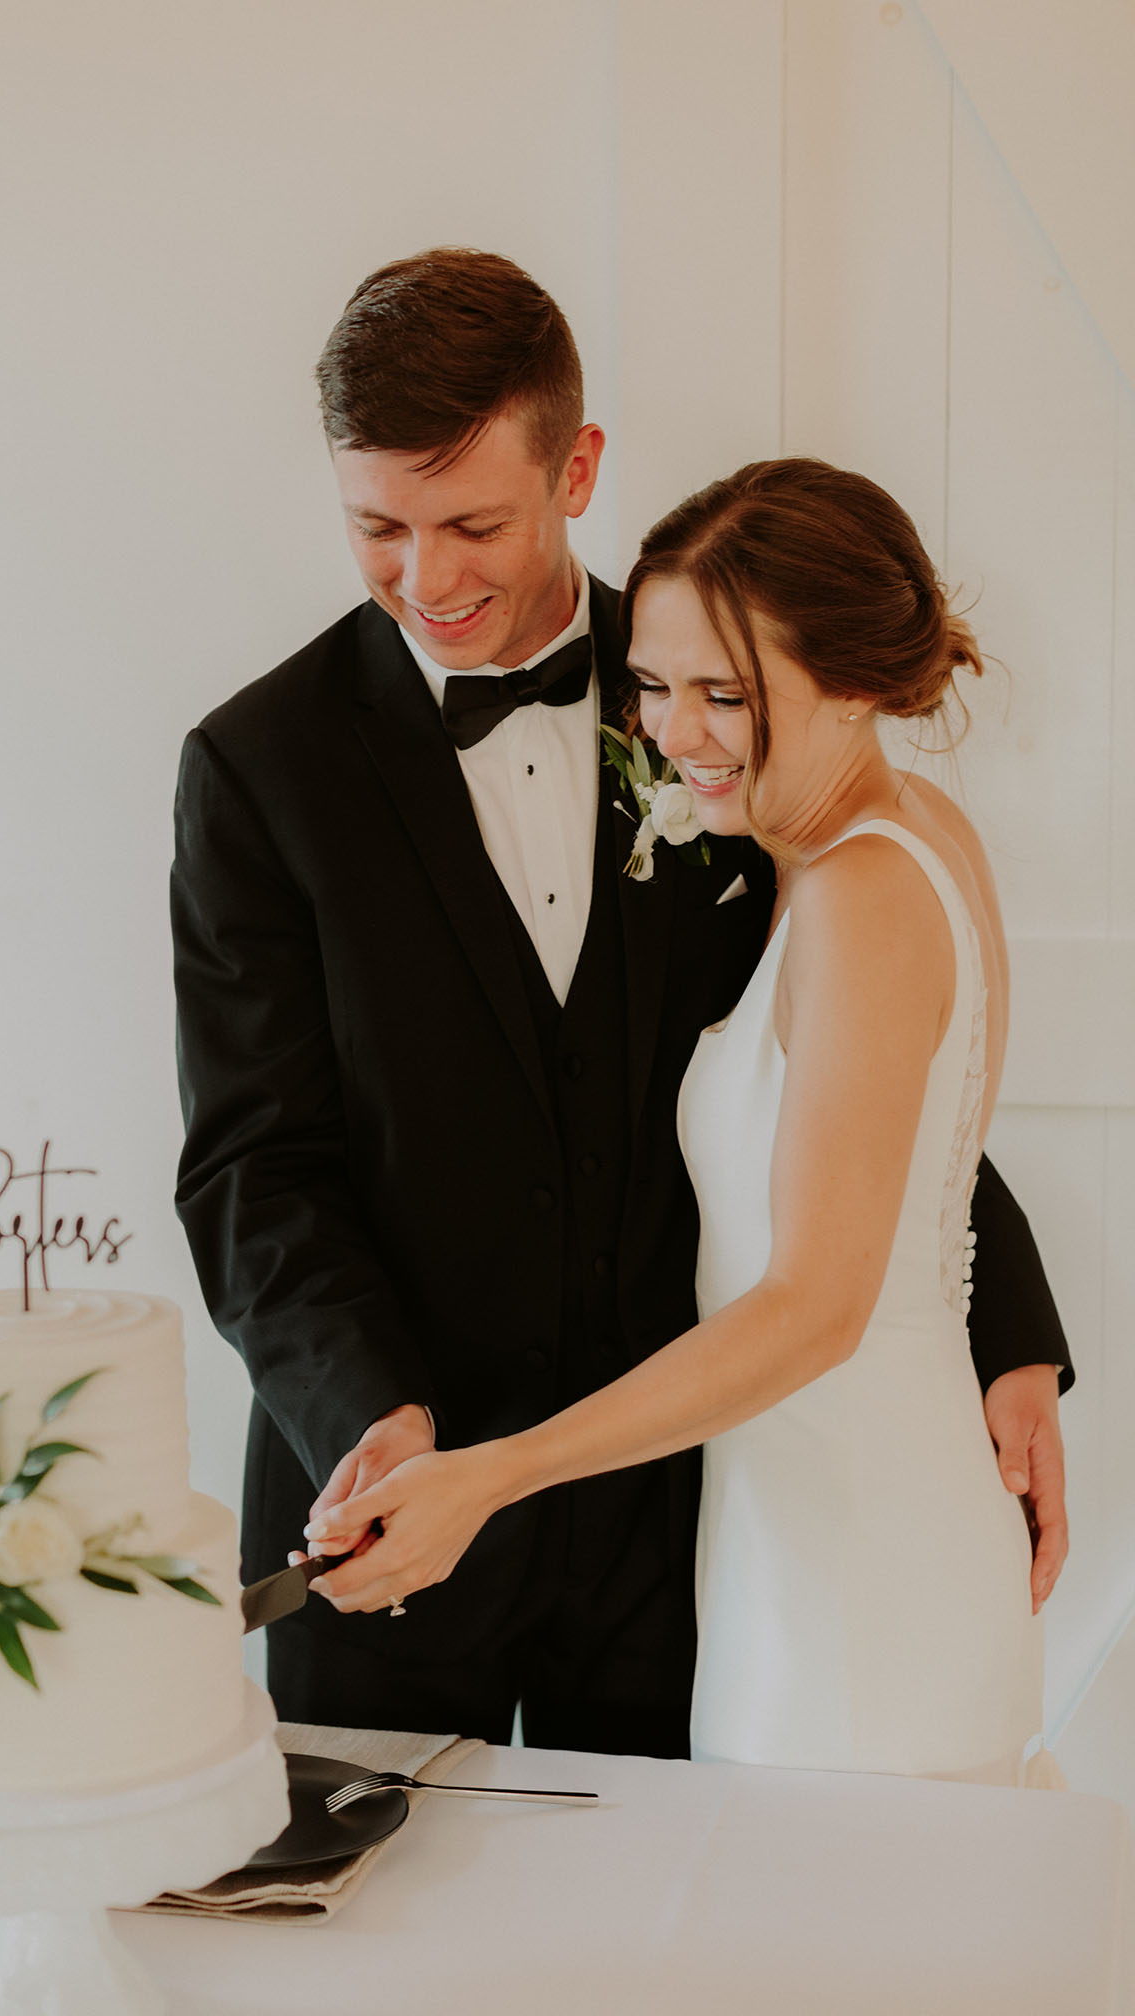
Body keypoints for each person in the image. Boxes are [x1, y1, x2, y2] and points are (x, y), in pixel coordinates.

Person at [172, 250, 1071, 1756]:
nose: (428, 578)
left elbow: (855, 1073)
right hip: (402, 1517)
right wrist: (371, 1419)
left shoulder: (721, 710)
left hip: (686, 1523)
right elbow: (253, 1160)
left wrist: (1010, 1332)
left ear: (575, 467)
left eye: (474, 523)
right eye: (377, 527)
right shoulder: (260, 772)